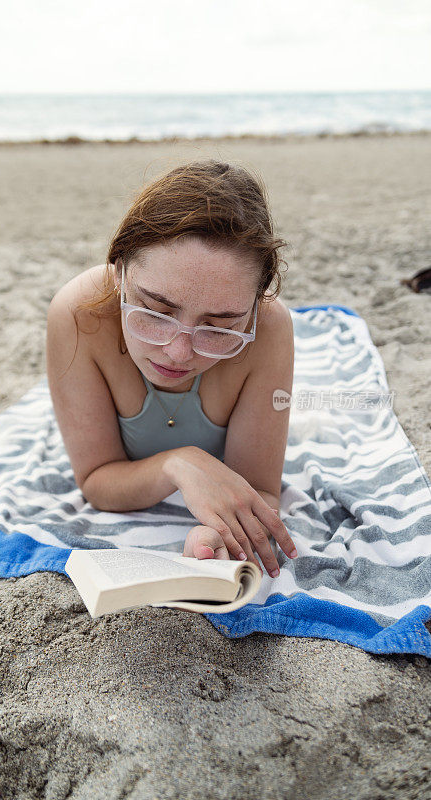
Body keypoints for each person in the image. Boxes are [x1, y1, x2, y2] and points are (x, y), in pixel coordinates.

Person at [46, 160, 297, 578]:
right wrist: (178, 463)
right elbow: (96, 479)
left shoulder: (269, 330)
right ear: (120, 268)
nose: (179, 353)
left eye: (219, 326)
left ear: (253, 309)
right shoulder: (78, 313)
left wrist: (217, 534)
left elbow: (260, 489)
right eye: (154, 311)